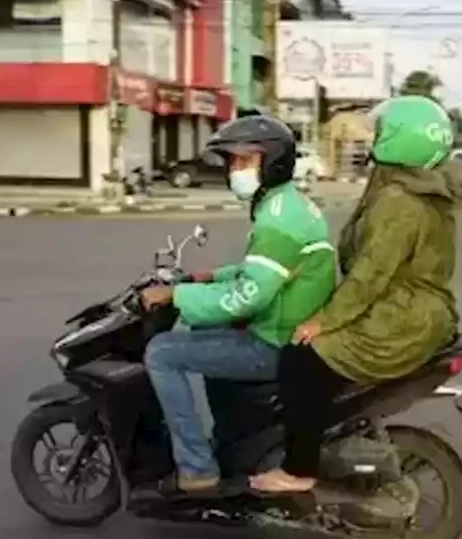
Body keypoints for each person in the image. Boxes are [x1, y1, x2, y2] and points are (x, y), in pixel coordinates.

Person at [250, 95, 462, 494]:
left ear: (397, 140)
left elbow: (370, 275)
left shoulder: (400, 202)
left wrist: (323, 321)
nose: (373, 137)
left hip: (400, 319)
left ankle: (299, 468)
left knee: (300, 360)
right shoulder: (416, 188)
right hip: (413, 311)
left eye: (380, 131)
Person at [137, 115, 335, 495]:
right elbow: (264, 272)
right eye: (232, 162)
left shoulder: (277, 220)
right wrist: (210, 276)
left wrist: (176, 295)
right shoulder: (285, 204)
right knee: (204, 330)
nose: (235, 170)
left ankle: (196, 469)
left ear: (273, 162)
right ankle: (231, 440)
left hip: (274, 341)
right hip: (283, 324)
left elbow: (251, 295)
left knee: (162, 353)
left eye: (245, 161)